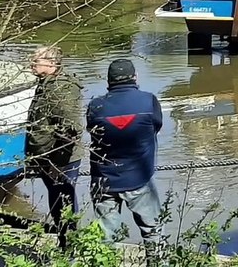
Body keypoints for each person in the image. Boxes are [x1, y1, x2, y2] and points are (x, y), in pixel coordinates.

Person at [86, 59, 163, 262]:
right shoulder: (149, 101)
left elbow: (93, 133)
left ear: (109, 81)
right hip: (139, 178)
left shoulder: (96, 105)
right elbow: (156, 126)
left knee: (104, 238)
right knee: (152, 232)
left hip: (104, 180)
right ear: (135, 77)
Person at [24, 46, 84, 249]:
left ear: (52, 64)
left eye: (36, 60)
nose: (32, 63)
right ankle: (65, 243)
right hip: (48, 159)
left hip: (61, 160)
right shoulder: (46, 84)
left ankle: (71, 248)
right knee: (58, 202)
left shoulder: (61, 88)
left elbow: (71, 129)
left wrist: (56, 163)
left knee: (63, 203)